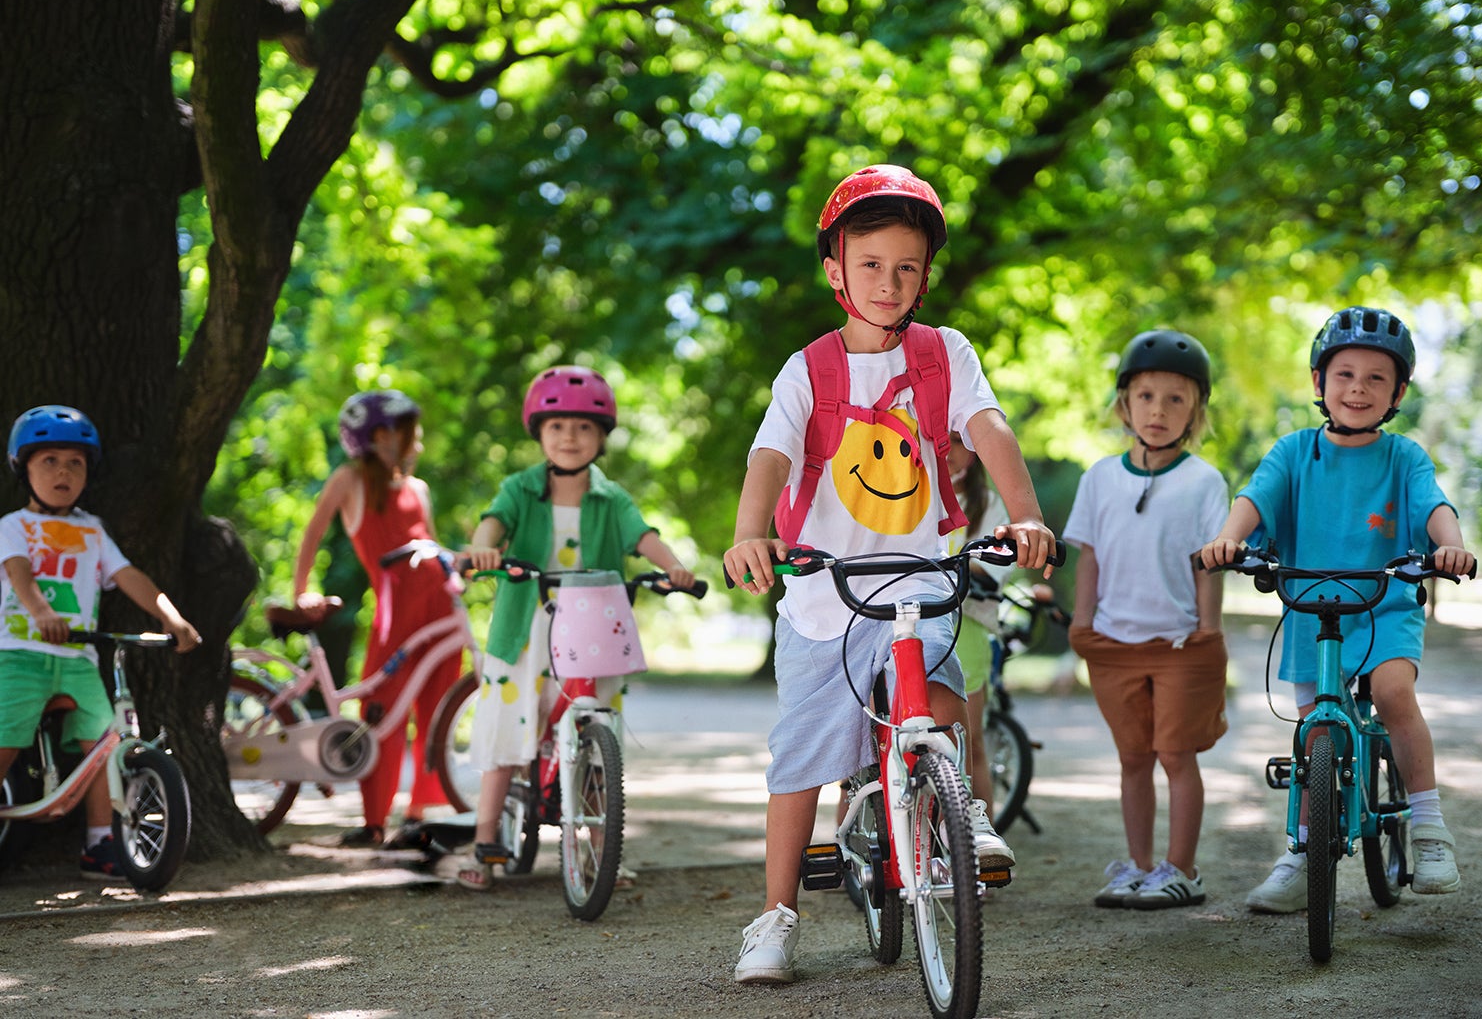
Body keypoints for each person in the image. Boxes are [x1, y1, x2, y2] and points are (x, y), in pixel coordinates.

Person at [723, 163, 1057, 986]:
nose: (889, 281)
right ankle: (775, 917)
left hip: (915, 574)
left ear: (926, 277)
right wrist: (749, 533)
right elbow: (771, 454)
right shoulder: (809, 369)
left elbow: (989, 427)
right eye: (870, 264)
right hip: (824, 590)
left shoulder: (945, 354)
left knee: (942, 695)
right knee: (800, 761)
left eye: (907, 267)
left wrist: (1025, 513)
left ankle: (960, 810)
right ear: (835, 272)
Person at [1196, 305, 1477, 913]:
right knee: (1315, 732)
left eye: (1376, 378)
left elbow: (1434, 506)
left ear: (1398, 393)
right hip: (1310, 608)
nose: (1358, 388)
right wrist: (1228, 538)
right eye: (1345, 374)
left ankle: (1429, 829)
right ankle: (1300, 855)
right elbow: (1255, 498)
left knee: (1394, 693)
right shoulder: (1295, 451)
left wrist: (1450, 546)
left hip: (1384, 604)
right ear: (1319, 382)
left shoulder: (1404, 457)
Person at [461, 364, 696, 891]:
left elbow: (643, 536)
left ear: (602, 436)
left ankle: (599, 851)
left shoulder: (610, 498)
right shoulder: (521, 488)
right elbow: (493, 522)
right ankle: (484, 843)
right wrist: (482, 547)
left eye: (584, 427)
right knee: (508, 731)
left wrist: (675, 566)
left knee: (597, 737)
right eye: (557, 427)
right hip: (526, 633)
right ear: (539, 433)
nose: (570, 437)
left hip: (591, 630)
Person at [1062, 329, 1230, 911]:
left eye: (1176, 399)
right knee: (1133, 758)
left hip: (1182, 643)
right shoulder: (1100, 477)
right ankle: (1137, 867)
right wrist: (1083, 623)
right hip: (1113, 641)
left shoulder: (1204, 481)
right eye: (1146, 396)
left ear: (1196, 411)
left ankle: (1181, 870)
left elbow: (1210, 563)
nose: (1158, 411)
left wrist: (1208, 630)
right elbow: (1090, 556)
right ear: (1125, 404)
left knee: (1177, 755)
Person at [0, 405, 201, 880]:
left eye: (76, 463)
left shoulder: (91, 530)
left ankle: (99, 843)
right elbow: (20, 573)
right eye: (50, 461)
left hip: (77, 658)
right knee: (5, 737)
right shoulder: (13, 526)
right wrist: (42, 613)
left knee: (104, 744)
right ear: (24, 469)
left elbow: (128, 575)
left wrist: (172, 617)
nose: (64, 472)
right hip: (20, 654)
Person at [292, 389, 461, 846]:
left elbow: (433, 547)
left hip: (442, 610)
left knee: (439, 710)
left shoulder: (418, 490)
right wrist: (301, 591)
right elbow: (313, 532)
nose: (419, 444)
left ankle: (423, 813)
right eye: (412, 435)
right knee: (380, 709)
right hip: (396, 614)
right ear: (382, 436)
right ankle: (374, 820)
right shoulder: (349, 480)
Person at [947, 438, 1013, 818]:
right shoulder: (903, 493)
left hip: (965, 624)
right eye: (940, 437)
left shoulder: (986, 504)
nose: (948, 449)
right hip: (899, 620)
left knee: (968, 741)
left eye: (959, 441)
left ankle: (980, 833)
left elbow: (990, 568)